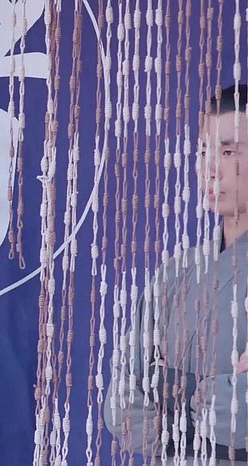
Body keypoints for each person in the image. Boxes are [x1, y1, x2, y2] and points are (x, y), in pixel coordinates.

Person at [105, 84, 248, 463]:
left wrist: (168, 384)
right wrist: (206, 392)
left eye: (228, 151)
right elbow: (121, 409)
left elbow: (238, 419)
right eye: (203, 151)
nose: (210, 168)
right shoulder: (176, 272)